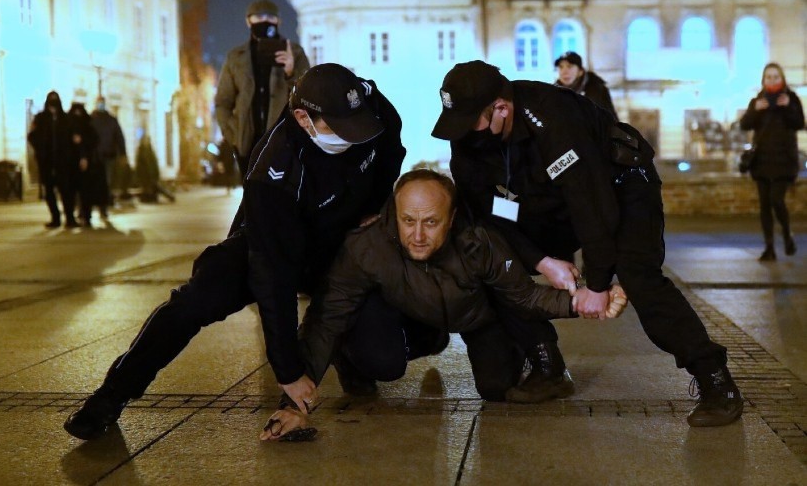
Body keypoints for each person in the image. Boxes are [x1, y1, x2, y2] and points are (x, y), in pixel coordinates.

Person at [63, 63, 406, 440]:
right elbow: (275, 277)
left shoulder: (367, 103)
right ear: (303, 118)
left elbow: (391, 148)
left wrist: (374, 204)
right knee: (198, 298)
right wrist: (288, 372)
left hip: (342, 236)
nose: (352, 138)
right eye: (339, 131)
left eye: (356, 127)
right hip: (275, 237)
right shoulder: (273, 170)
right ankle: (112, 395)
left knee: (383, 357)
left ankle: (346, 352)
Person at [430, 60, 743, 427]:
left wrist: (596, 284)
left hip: (621, 185)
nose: (464, 132)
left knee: (636, 274)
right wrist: (543, 260)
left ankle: (716, 382)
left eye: (472, 120)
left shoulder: (554, 116)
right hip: (546, 202)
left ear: (501, 108)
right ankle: (547, 365)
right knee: (489, 254)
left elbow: (592, 203)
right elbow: (486, 210)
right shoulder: (467, 135)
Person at [260, 169, 627, 441]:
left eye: (431, 223)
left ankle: (450, 340)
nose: (417, 235)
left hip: (474, 317)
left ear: (451, 220)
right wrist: (292, 404)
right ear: (395, 214)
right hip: (410, 310)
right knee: (383, 363)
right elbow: (326, 318)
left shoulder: (479, 241)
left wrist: (581, 302)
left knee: (497, 388)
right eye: (408, 221)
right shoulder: (367, 247)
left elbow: (526, 296)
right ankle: (357, 360)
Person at [214, 0, 311, 178]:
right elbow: (223, 101)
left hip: (283, 140)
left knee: (280, 194)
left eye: (270, 16)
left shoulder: (295, 52)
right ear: (248, 21)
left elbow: (308, 96)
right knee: (252, 195)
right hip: (246, 142)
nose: (264, 21)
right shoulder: (236, 56)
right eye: (258, 17)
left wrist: (290, 72)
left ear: (278, 21)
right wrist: (231, 133)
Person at [739, 62, 805, 261]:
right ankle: (769, 247)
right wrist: (755, 111)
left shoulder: (791, 99)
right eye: (769, 77)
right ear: (763, 80)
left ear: (782, 78)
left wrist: (786, 109)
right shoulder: (758, 100)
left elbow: (800, 123)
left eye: (776, 76)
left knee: (777, 200)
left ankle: (786, 235)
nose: (772, 80)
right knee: (765, 205)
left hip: (784, 160)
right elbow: (744, 125)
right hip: (762, 160)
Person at [27, 91, 77, 228]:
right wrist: (40, 149)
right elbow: (32, 136)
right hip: (46, 161)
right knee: (49, 191)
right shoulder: (40, 118)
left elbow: (72, 138)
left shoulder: (66, 119)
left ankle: (70, 218)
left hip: (63, 162)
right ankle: (55, 218)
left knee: (66, 190)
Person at [68, 102, 108, 227]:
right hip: (70, 164)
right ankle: (75, 215)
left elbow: (93, 141)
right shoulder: (68, 126)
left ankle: (86, 214)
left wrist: (84, 151)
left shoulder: (88, 126)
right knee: (72, 192)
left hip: (87, 165)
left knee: (86, 191)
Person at [90, 96, 127, 218]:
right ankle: (92, 207)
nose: (100, 105)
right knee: (93, 182)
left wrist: (122, 153)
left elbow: (119, 137)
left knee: (106, 182)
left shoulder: (111, 120)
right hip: (93, 157)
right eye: (99, 102)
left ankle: (103, 207)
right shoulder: (91, 119)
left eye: (102, 103)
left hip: (107, 156)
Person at [554, 51, 618, 120]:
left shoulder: (597, 91)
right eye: (561, 67)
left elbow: (611, 122)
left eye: (570, 66)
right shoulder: (553, 92)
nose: (564, 72)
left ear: (580, 71)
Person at [135, 134, 175, 203]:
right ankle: (150, 198)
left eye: (147, 140)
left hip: (152, 175)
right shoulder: (141, 151)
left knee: (155, 187)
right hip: (145, 176)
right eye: (145, 140)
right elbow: (139, 166)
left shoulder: (150, 151)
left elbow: (154, 164)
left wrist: (156, 174)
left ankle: (168, 197)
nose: (146, 142)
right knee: (152, 188)